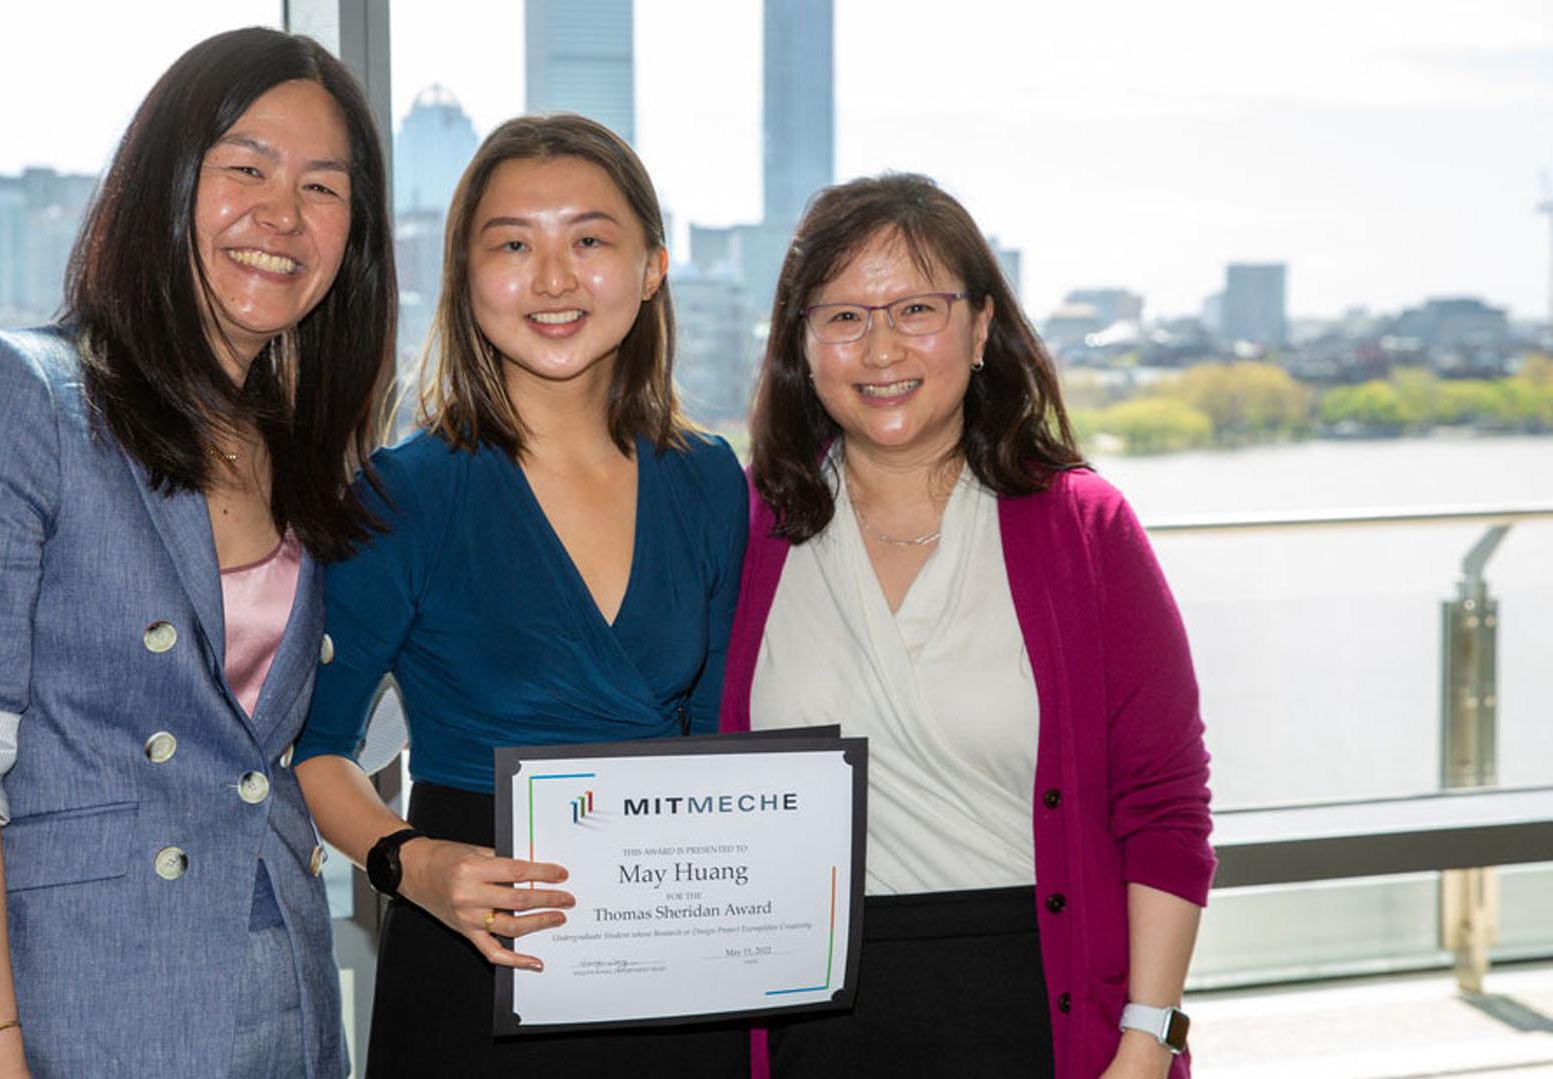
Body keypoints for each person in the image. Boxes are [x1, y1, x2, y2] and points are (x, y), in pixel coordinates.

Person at [0, 28, 394, 1078]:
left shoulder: (309, 448)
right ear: (164, 180)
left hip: (280, 995)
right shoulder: (19, 394)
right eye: (245, 167)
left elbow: (316, 737)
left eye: (323, 188)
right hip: (71, 1003)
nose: (282, 215)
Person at [721, 173, 1214, 1079]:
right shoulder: (746, 530)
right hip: (815, 1036)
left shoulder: (1084, 530)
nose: (879, 348)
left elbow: (1166, 807)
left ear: (981, 326)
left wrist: (1147, 1039)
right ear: (800, 344)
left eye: (916, 307)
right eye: (841, 316)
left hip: (1043, 1023)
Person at [293, 114, 750, 1076]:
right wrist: (414, 864)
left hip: (675, 972)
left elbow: (720, 746)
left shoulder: (709, 479)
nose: (552, 279)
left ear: (653, 267)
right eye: (512, 244)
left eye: (589, 240)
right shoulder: (404, 493)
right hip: (474, 966)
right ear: (464, 275)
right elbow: (314, 752)